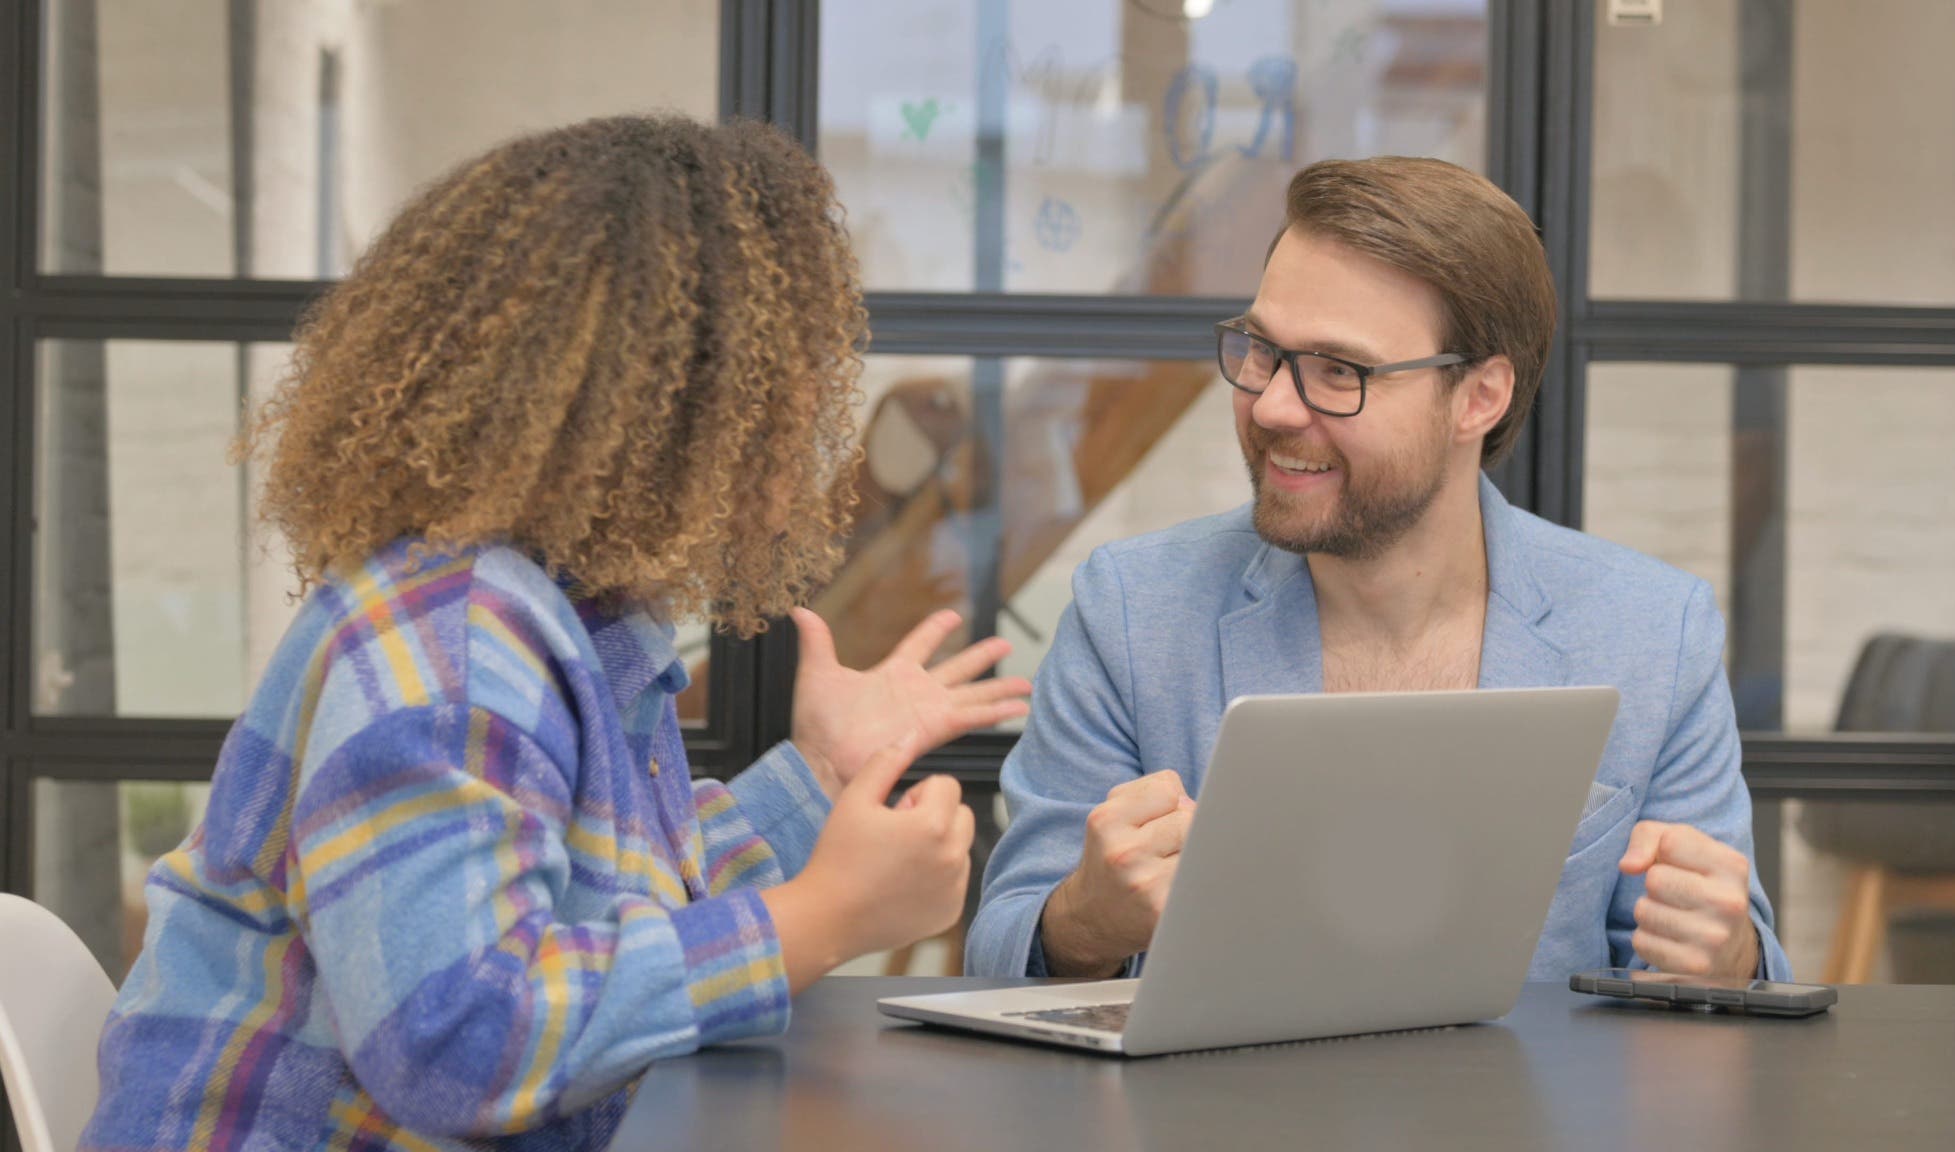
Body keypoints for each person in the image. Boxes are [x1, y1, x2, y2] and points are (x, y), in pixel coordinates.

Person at [82, 115, 1030, 1151]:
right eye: (784, 396)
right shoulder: (446, 641)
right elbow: (457, 1043)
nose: (813, 429)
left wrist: (820, 774)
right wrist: (820, 919)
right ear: (662, 410)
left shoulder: (574, 618)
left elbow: (609, 913)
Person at [967, 156, 1788, 984]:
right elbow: (1001, 949)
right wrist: (1086, 921)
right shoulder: (1129, 612)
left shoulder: (1655, 634)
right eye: (1262, 350)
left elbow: (1734, 974)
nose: (1273, 405)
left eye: (1339, 372)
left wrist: (1728, 956)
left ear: (1479, 398)